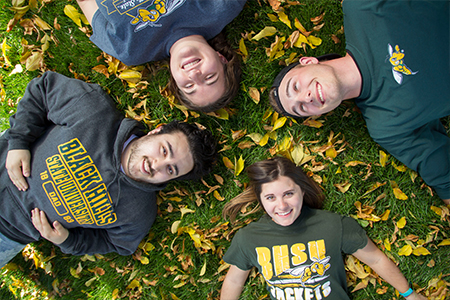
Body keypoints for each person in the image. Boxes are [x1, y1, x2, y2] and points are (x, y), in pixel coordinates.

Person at [0, 71, 217, 268]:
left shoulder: (138, 212)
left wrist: (68, 241)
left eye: (170, 169)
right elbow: (43, 88)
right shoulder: (94, 112)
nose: (156, 164)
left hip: (10, 234)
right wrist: (19, 141)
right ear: (155, 132)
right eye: (163, 150)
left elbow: (117, 244)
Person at [269, 0, 450, 204]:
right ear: (319, 113)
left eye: (295, 87)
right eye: (302, 108)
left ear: (308, 61)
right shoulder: (386, 127)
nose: (305, 97)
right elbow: (444, 176)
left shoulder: (361, 8)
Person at [220, 157, 427, 300]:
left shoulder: (334, 225)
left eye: (289, 194)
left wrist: (410, 294)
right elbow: (235, 280)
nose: (282, 206)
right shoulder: (249, 238)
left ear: (301, 190)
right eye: (271, 197)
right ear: (260, 199)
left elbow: (375, 259)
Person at [76, 0, 246, 112]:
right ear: (222, 58)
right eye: (210, 77)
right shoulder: (224, 6)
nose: (194, 74)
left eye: (188, 86)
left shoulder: (130, 50)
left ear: (174, 79)